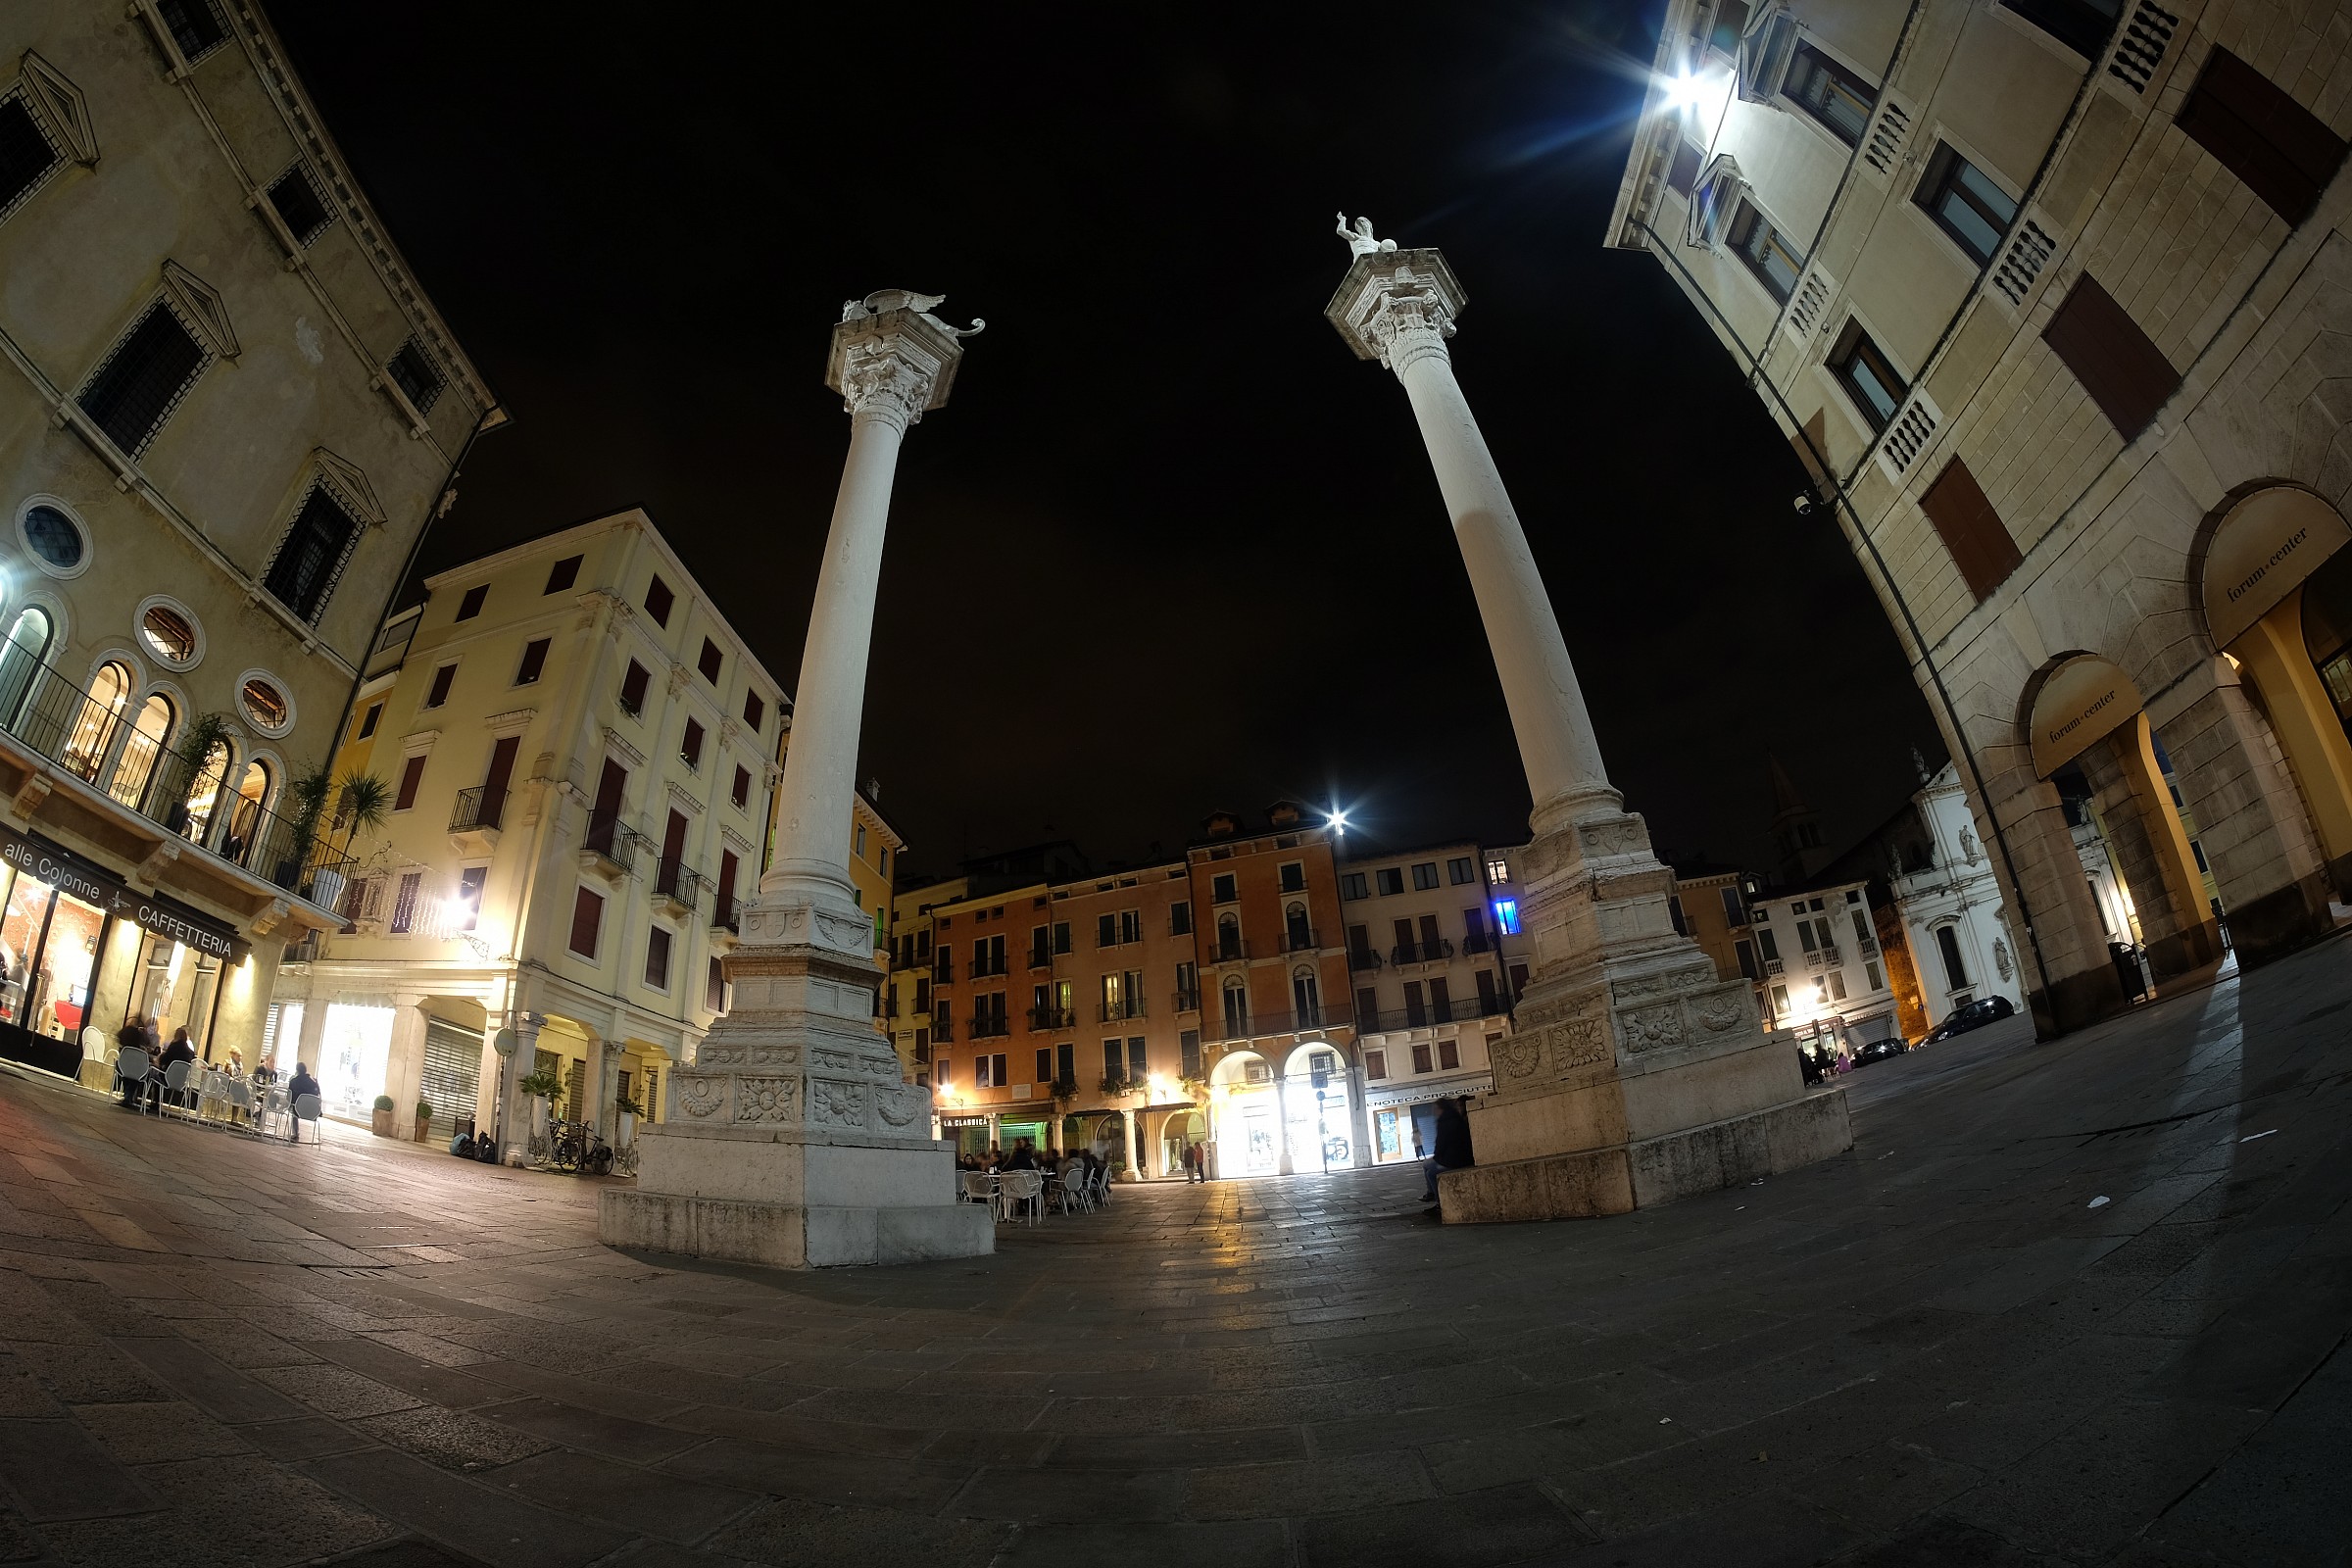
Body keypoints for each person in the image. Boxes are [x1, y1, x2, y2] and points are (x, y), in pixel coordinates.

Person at [1424, 1097, 1476, 1211]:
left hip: (1455, 1160)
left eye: (1435, 1109)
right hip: (1456, 1156)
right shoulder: (1454, 1118)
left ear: (1440, 1109)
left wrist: (1437, 1157)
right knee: (1426, 1165)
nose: (1434, 1111)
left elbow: (1441, 1142)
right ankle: (1431, 1193)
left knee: (1431, 1173)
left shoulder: (1445, 1121)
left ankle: (1439, 1203)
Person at [156, 1027, 197, 1110]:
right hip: (181, 1081)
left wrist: (159, 1058)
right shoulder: (191, 1052)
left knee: (154, 1073)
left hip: (167, 1077)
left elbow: (164, 1061)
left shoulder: (173, 1047)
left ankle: (156, 1101)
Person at [116, 1014, 152, 1109]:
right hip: (138, 1070)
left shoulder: (125, 1040)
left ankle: (127, 1096)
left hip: (123, 1066)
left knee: (129, 1074)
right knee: (137, 1075)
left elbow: (118, 1037)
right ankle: (130, 1097)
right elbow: (148, 1043)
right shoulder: (140, 1045)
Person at [285, 1061, 321, 1143]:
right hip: (313, 1112)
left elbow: (289, 1097)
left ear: (297, 1070)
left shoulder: (294, 1082)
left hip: (298, 1110)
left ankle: (295, 1134)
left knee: (293, 1112)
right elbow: (318, 1095)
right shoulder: (313, 1083)